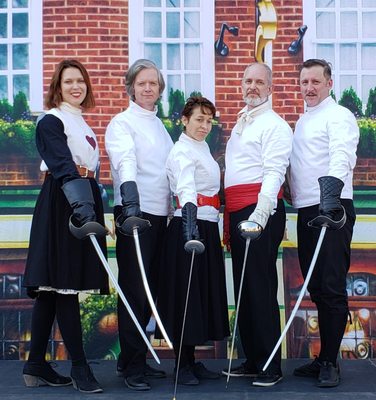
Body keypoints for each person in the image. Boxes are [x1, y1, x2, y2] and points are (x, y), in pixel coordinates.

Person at [22, 59, 109, 394]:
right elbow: (61, 163)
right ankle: (80, 367)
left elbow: (90, 170)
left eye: (81, 81)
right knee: (63, 284)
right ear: (57, 88)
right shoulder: (51, 121)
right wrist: (82, 207)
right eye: (69, 81)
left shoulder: (81, 122)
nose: (76, 87)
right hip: (64, 201)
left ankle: (35, 365)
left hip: (82, 197)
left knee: (51, 287)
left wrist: (93, 204)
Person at [289, 59, 359, 387]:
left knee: (330, 286)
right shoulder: (303, 122)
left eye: (316, 81)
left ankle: (331, 361)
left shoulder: (339, 115)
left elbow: (341, 155)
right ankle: (323, 358)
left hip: (332, 207)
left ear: (329, 83)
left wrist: (330, 199)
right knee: (315, 286)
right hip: (306, 210)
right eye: (304, 82)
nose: (310, 87)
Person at [105, 59, 173, 391]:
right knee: (135, 289)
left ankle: (133, 356)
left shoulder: (159, 126)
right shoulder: (122, 123)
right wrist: (131, 200)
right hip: (135, 213)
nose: (148, 88)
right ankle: (133, 365)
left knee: (153, 289)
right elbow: (125, 160)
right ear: (131, 86)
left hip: (160, 214)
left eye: (154, 84)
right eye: (142, 83)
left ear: (160, 90)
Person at [223, 62, 292, 387]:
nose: (252, 86)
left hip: (258, 212)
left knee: (261, 288)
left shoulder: (275, 125)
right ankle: (252, 359)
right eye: (248, 80)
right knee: (244, 288)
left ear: (270, 88)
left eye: (259, 82)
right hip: (237, 210)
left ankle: (270, 365)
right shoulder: (241, 122)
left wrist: (260, 216)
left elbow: (274, 172)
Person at [157, 96, 230, 385]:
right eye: (199, 119)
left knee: (201, 294)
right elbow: (186, 187)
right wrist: (190, 229)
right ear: (184, 120)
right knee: (186, 295)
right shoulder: (181, 151)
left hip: (208, 225)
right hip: (191, 226)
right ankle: (181, 364)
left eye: (209, 120)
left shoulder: (203, 149)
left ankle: (192, 360)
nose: (205, 125)